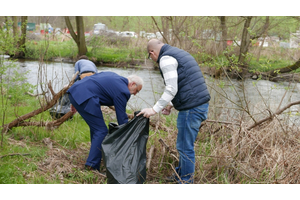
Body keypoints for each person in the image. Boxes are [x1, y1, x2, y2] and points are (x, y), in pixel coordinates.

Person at [138, 39, 210, 184]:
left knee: (185, 147)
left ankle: (185, 182)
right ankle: (181, 175)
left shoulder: (165, 59)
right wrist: (170, 104)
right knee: (183, 144)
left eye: (150, 57)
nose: (152, 59)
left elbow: (171, 88)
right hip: (198, 104)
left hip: (192, 108)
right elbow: (184, 83)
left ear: (152, 52)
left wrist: (154, 109)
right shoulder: (178, 53)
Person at [67, 71, 143, 172]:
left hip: (75, 91)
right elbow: (122, 119)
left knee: (96, 129)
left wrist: (74, 101)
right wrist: (130, 136)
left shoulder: (113, 75)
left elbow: (90, 80)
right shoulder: (123, 91)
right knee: (101, 131)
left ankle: (95, 156)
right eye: (136, 91)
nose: (135, 94)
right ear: (132, 84)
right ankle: (91, 166)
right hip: (86, 98)